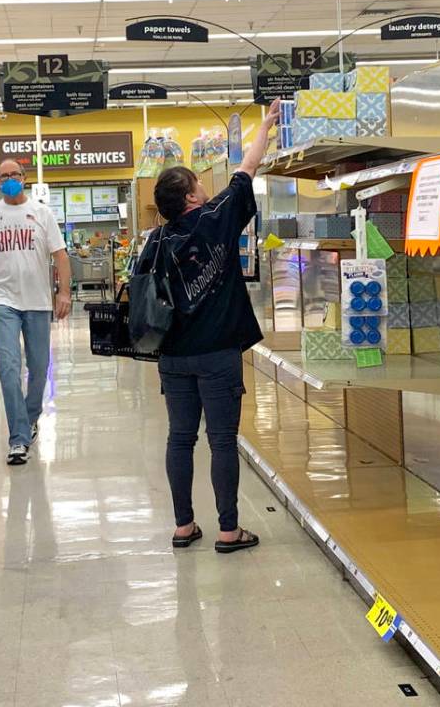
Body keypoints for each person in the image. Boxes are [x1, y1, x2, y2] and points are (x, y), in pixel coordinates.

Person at [135, 100, 281, 553]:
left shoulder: (154, 242)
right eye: (199, 183)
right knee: (221, 440)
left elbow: (140, 294)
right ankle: (228, 530)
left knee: (180, 437)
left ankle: (183, 526)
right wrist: (268, 124)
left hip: (173, 357)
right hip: (218, 354)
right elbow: (248, 167)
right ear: (193, 197)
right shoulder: (218, 220)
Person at [0, 159, 73, 465]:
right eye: (4, 176)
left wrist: (63, 292)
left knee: (39, 368)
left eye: (15, 174)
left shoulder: (42, 213)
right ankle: (18, 438)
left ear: (24, 178)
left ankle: (30, 418)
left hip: (38, 302)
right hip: (3, 301)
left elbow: (61, 255)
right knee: (8, 368)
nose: (10, 179)